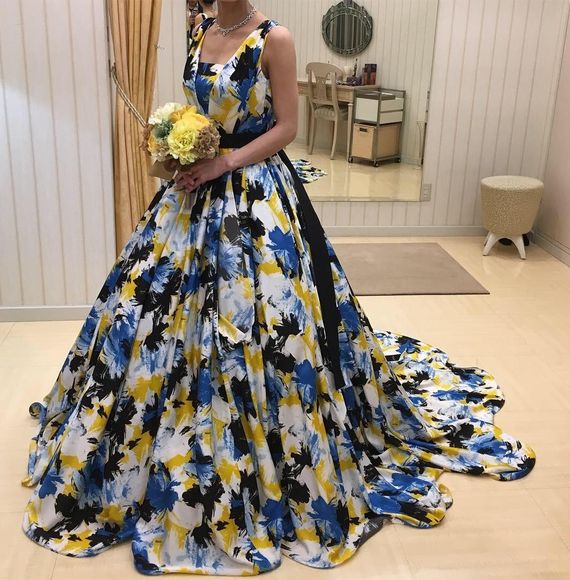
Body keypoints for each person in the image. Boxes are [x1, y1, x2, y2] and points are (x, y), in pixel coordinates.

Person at [21, 0, 536, 575]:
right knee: (150, 311)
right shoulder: (199, 29)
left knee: (269, 317)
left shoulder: (275, 39)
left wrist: (223, 163)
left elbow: (287, 127)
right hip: (190, 197)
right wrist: (178, 146)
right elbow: (201, 110)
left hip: (254, 194)